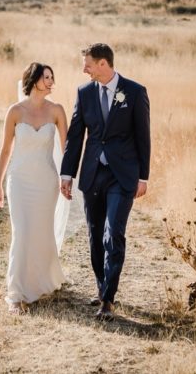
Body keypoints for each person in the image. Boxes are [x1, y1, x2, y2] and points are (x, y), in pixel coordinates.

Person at [60, 43, 151, 320]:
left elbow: (143, 136)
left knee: (114, 233)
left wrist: (143, 176)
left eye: (87, 63)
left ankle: (108, 300)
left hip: (122, 176)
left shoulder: (135, 92)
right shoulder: (84, 93)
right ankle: (102, 287)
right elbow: (76, 136)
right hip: (92, 174)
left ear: (103, 64)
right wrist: (67, 174)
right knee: (95, 234)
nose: (84, 69)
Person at [0, 62, 68, 314]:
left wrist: (66, 178)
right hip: (19, 181)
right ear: (33, 79)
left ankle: (42, 281)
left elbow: (67, 148)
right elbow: (5, 150)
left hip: (46, 182)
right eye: (45, 77)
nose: (50, 81)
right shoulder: (15, 112)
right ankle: (15, 293)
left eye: (51, 77)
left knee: (40, 232)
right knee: (22, 232)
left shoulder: (57, 111)